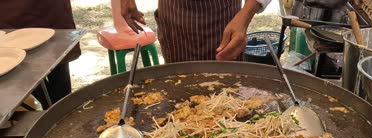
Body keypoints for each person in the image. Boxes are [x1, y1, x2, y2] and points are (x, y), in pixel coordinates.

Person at [121, 0, 349, 63]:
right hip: (175, 14)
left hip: (224, 14)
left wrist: (246, 15)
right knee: (181, 90)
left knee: (226, 93)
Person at [0, 0, 80, 109]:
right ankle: (51, 109)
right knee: (21, 70)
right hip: (10, 16)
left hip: (51, 12)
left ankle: (61, 109)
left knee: (58, 62)